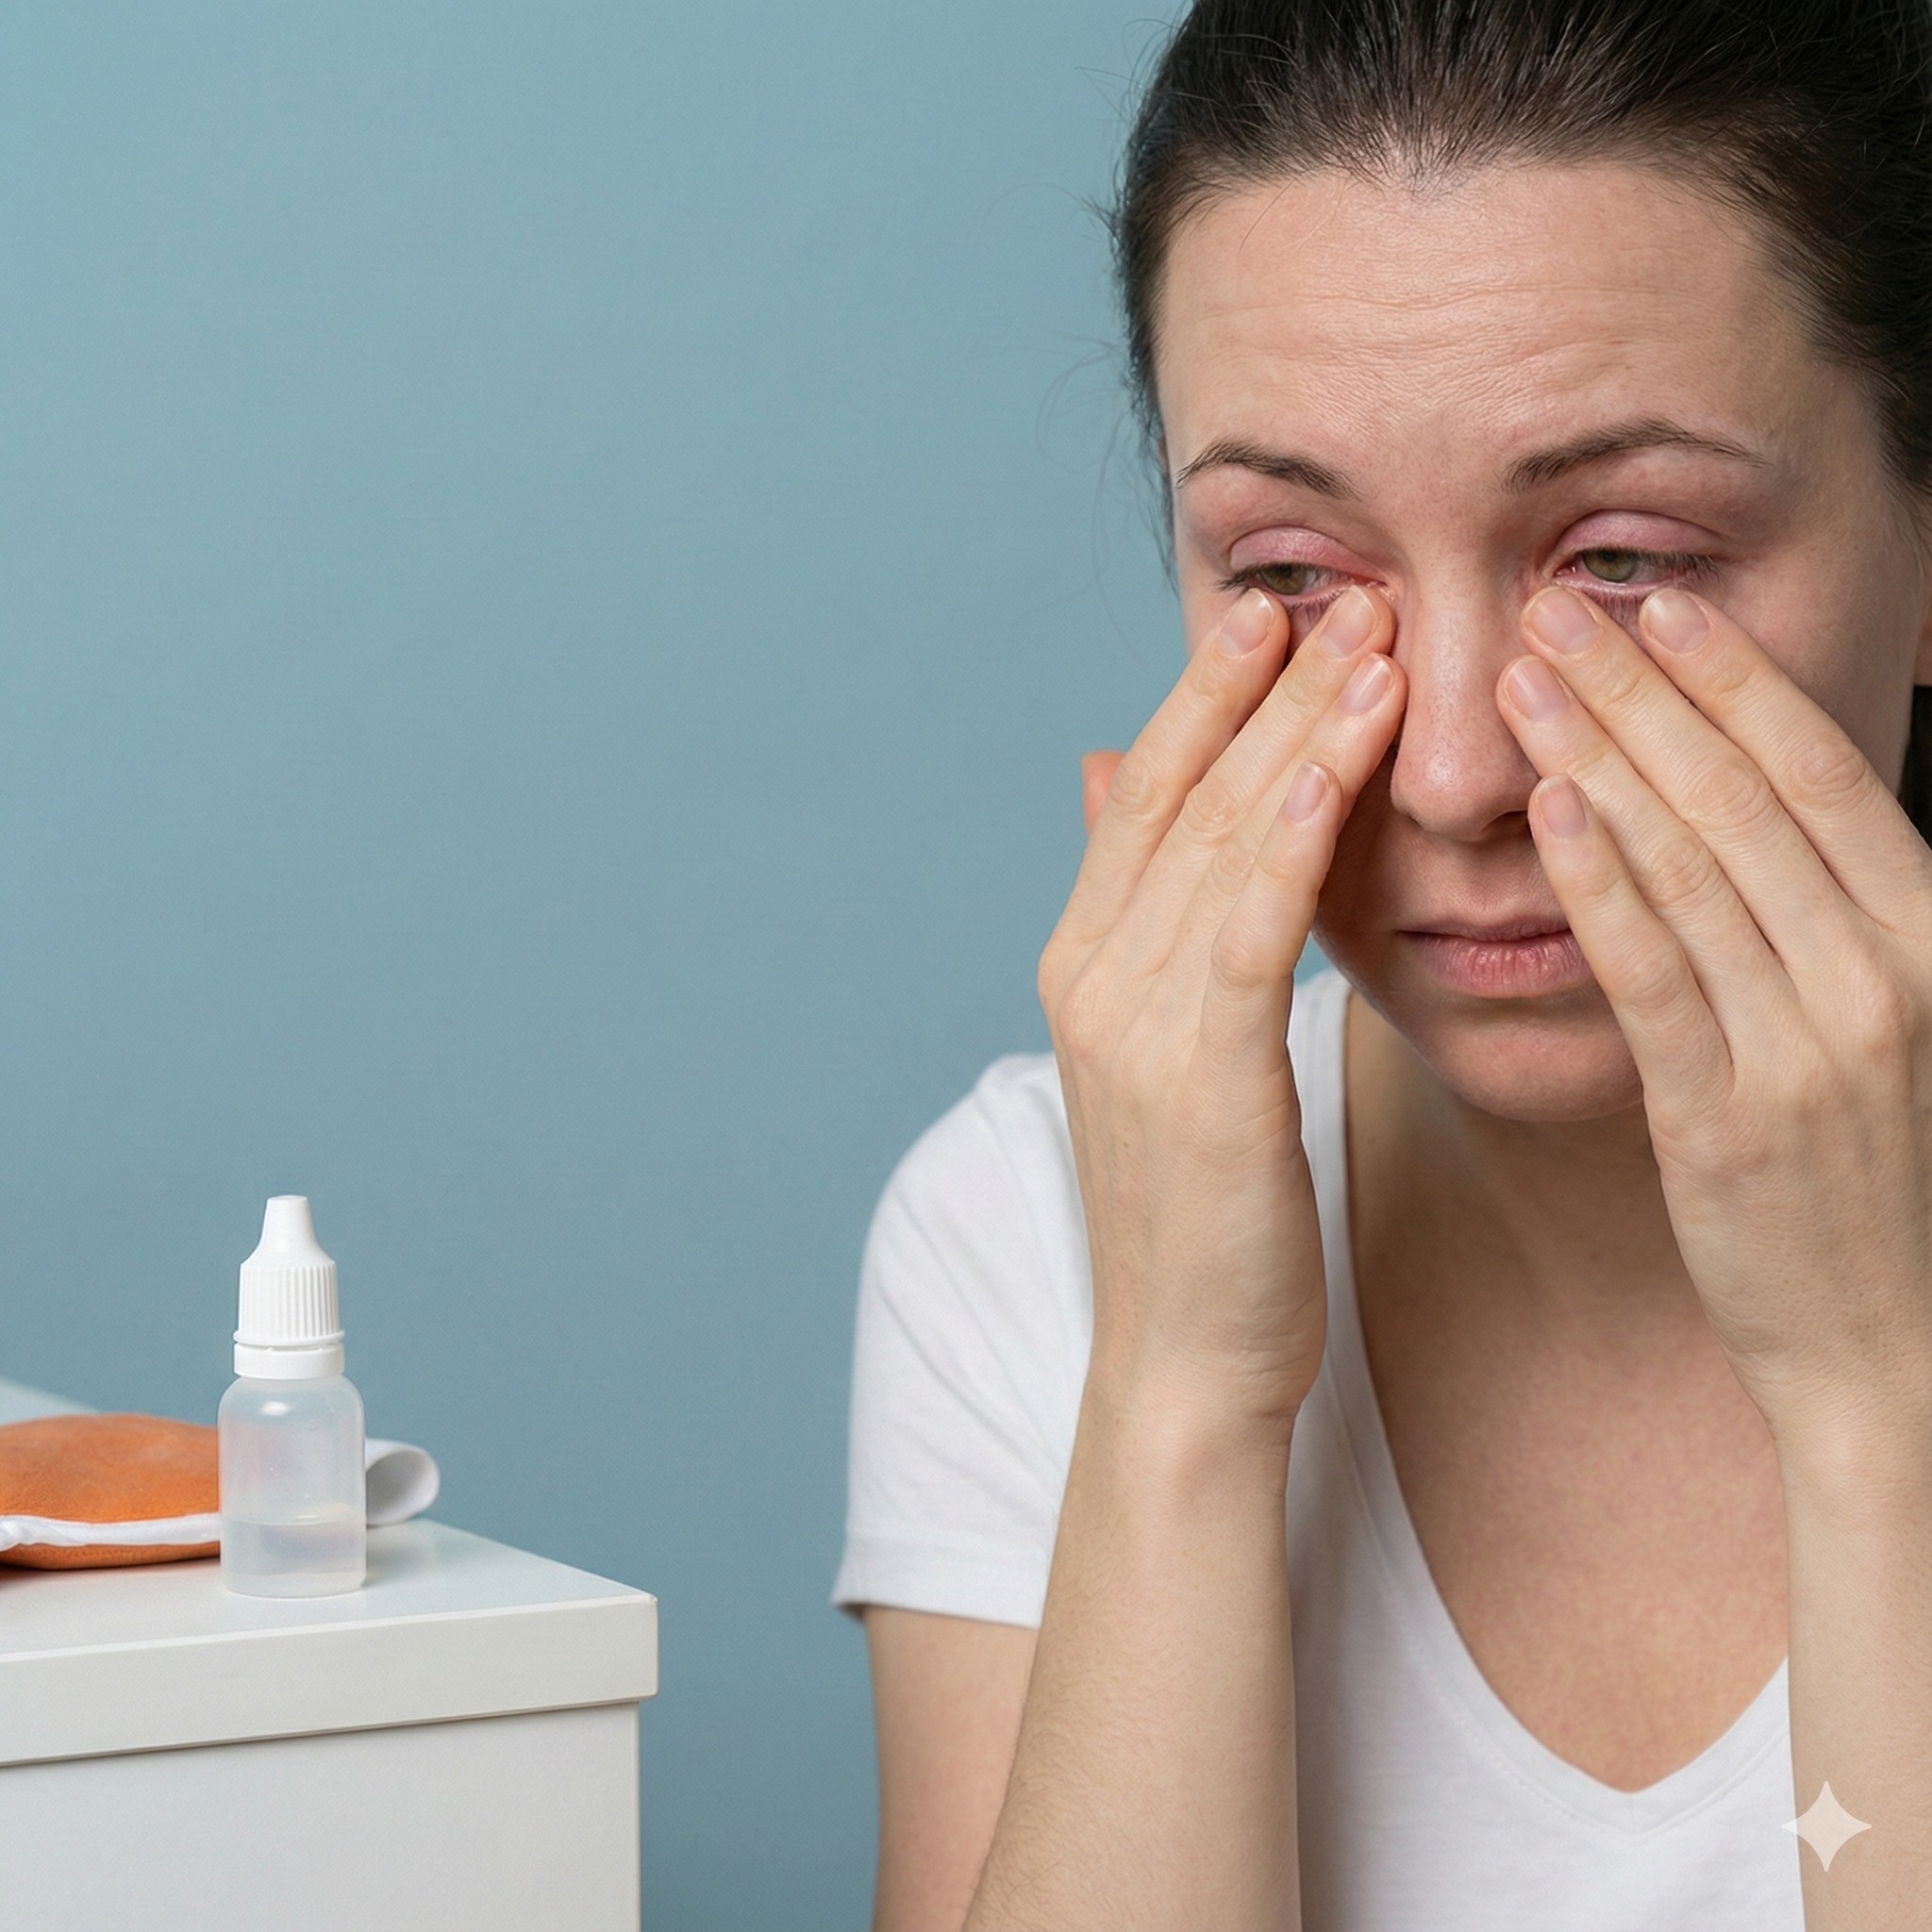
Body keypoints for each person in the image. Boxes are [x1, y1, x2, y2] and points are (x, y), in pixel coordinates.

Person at [833, 2, 1932, 1925]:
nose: (1449, 770)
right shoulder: (1029, 1232)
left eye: (1620, 560)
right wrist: (1178, 1396)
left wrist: (1872, 1389)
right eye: (1287, 576)